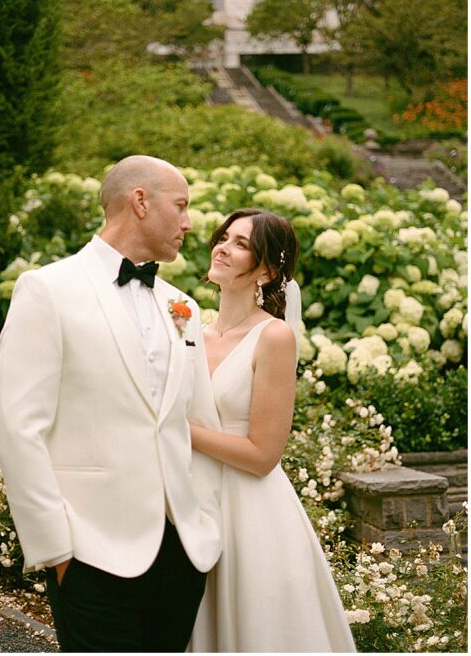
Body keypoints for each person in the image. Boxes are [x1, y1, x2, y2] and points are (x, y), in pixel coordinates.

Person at [0, 155, 224, 652]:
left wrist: (203, 525)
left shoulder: (182, 304)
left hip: (181, 552)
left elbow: (194, 421)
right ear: (140, 201)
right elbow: (19, 428)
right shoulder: (47, 290)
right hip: (89, 553)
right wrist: (56, 549)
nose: (189, 223)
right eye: (181, 206)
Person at [188, 208, 355, 652]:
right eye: (224, 237)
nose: (223, 246)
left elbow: (264, 456)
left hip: (249, 511)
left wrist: (177, 432)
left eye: (241, 243)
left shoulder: (274, 338)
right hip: (190, 504)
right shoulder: (190, 332)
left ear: (266, 270)